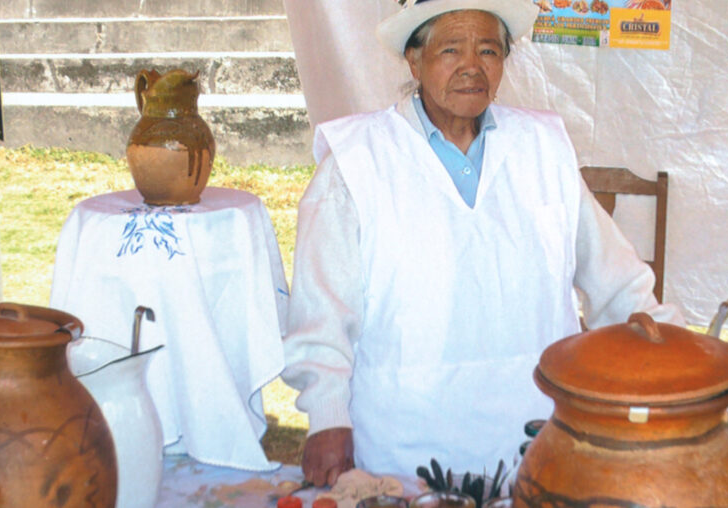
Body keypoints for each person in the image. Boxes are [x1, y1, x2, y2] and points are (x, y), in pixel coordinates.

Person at [281, 0, 685, 487]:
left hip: (533, 432)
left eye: (489, 50)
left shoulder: (543, 147)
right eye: (451, 49)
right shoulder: (358, 159)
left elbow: (618, 283)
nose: (472, 66)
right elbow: (320, 311)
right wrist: (327, 416)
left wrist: (677, 359)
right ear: (414, 60)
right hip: (401, 438)